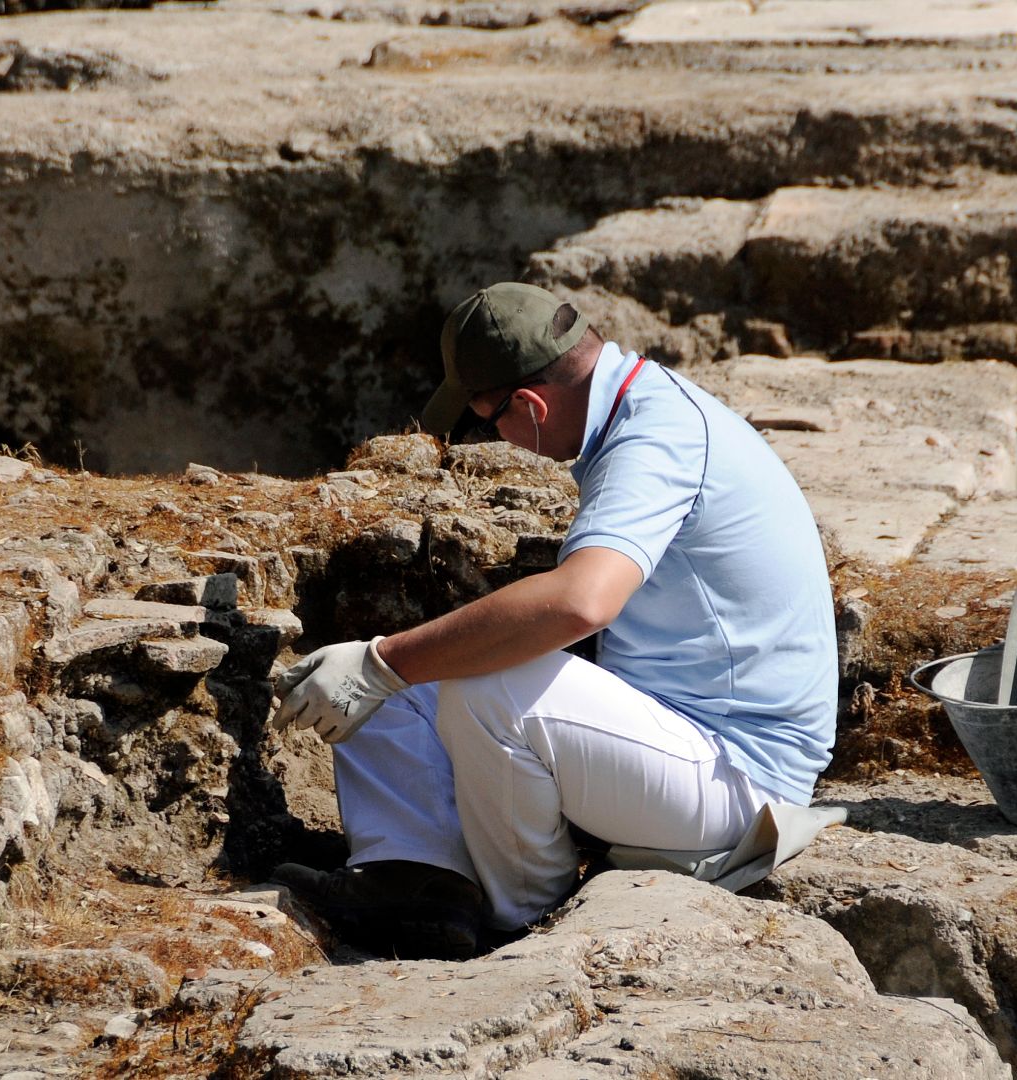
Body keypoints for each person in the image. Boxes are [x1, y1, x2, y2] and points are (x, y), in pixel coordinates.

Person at [268, 282, 837, 958]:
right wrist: (384, 662)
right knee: (421, 663)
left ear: (531, 406)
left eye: (488, 420)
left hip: (741, 779)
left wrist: (383, 663)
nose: (493, 437)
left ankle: (522, 919)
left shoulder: (656, 439)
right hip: (686, 739)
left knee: (480, 685)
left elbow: (580, 602)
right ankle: (419, 881)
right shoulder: (641, 410)